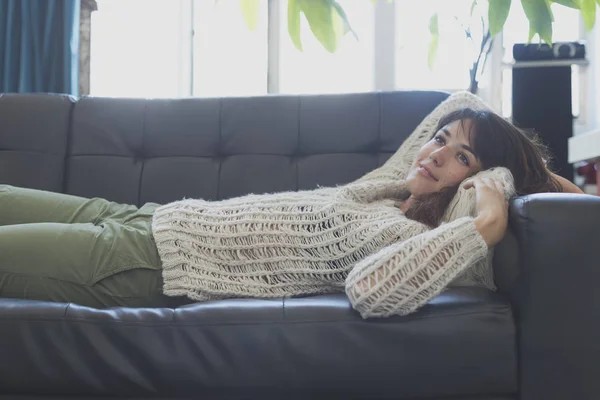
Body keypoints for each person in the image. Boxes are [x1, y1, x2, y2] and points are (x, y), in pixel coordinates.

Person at [0, 107, 583, 319]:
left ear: (476, 180)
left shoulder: (411, 236)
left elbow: (372, 290)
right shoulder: (383, 189)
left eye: (462, 157)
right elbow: (463, 103)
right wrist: (505, 158)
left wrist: (490, 206)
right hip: (139, 216)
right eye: (438, 140)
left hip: (140, 263)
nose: (434, 154)